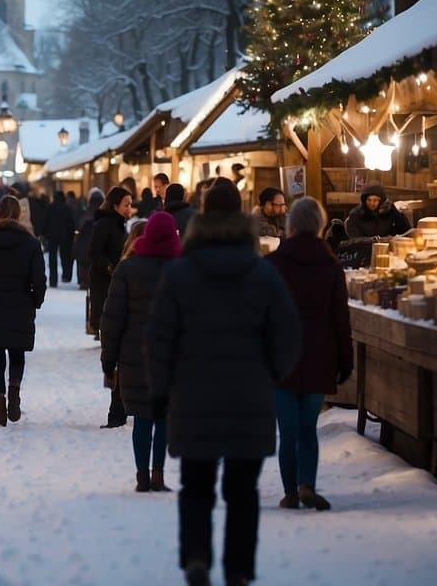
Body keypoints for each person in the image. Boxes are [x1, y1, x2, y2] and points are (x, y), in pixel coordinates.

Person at [145, 177, 302, 586]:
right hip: (248, 396)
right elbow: (287, 334)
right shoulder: (262, 274)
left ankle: (197, 558)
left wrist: (160, 390)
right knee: (242, 490)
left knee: (196, 485)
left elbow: (159, 337)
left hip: (192, 395)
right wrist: (272, 374)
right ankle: (238, 570)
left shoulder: (180, 274)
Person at [267, 196, 354, 512]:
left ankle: (290, 492)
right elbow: (340, 319)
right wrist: (346, 360)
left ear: (290, 224)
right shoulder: (331, 267)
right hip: (320, 353)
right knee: (307, 429)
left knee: (287, 431)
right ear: (319, 224)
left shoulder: (273, 265)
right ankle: (307, 484)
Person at [101, 211, 178, 493]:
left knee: (142, 419)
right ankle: (158, 473)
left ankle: (142, 475)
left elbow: (112, 319)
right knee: (162, 416)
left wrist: (108, 359)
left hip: (135, 355)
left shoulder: (127, 268)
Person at [0, 195, 47, 426]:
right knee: (17, 353)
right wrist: (36, 300)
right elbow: (39, 279)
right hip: (21, 302)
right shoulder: (31, 243)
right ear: (18, 214)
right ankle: (14, 391)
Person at [90, 186, 133, 428]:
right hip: (106, 290)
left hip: (114, 288)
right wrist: (111, 268)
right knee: (114, 351)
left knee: (116, 352)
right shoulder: (106, 225)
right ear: (115, 205)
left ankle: (119, 408)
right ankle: (116, 409)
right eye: (126, 204)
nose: (129, 209)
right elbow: (94, 253)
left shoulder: (117, 224)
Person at [344, 184, 411, 239]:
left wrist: (394, 211)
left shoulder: (389, 211)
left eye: (375, 200)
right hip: (364, 251)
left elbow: (406, 230)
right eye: (369, 200)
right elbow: (355, 239)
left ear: (381, 201)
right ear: (364, 200)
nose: (372, 203)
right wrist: (372, 240)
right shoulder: (356, 214)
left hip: (388, 249)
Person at [43, 189, 77, 288]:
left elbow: (45, 222)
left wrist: (45, 234)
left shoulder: (50, 207)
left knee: (52, 258)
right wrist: (71, 235)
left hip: (52, 236)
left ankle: (53, 280)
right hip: (65, 236)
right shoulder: (67, 208)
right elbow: (71, 223)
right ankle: (66, 276)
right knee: (64, 256)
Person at [74, 188, 105, 290]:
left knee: (84, 264)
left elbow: (79, 227)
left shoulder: (86, 213)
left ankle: (84, 282)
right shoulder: (105, 214)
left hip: (84, 245)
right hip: (99, 246)